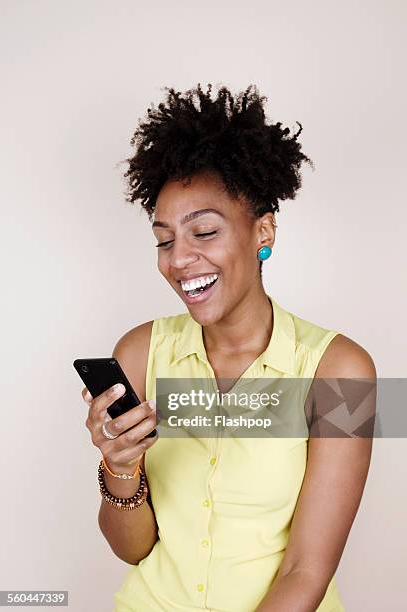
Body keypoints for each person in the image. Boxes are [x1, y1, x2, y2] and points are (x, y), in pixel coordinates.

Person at [82, 84, 376, 612]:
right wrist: (118, 466)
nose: (179, 260)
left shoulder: (342, 371)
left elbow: (306, 571)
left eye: (205, 232)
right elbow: (132, 549)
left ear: (263, 231)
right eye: (165, 240)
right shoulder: (139, 352)